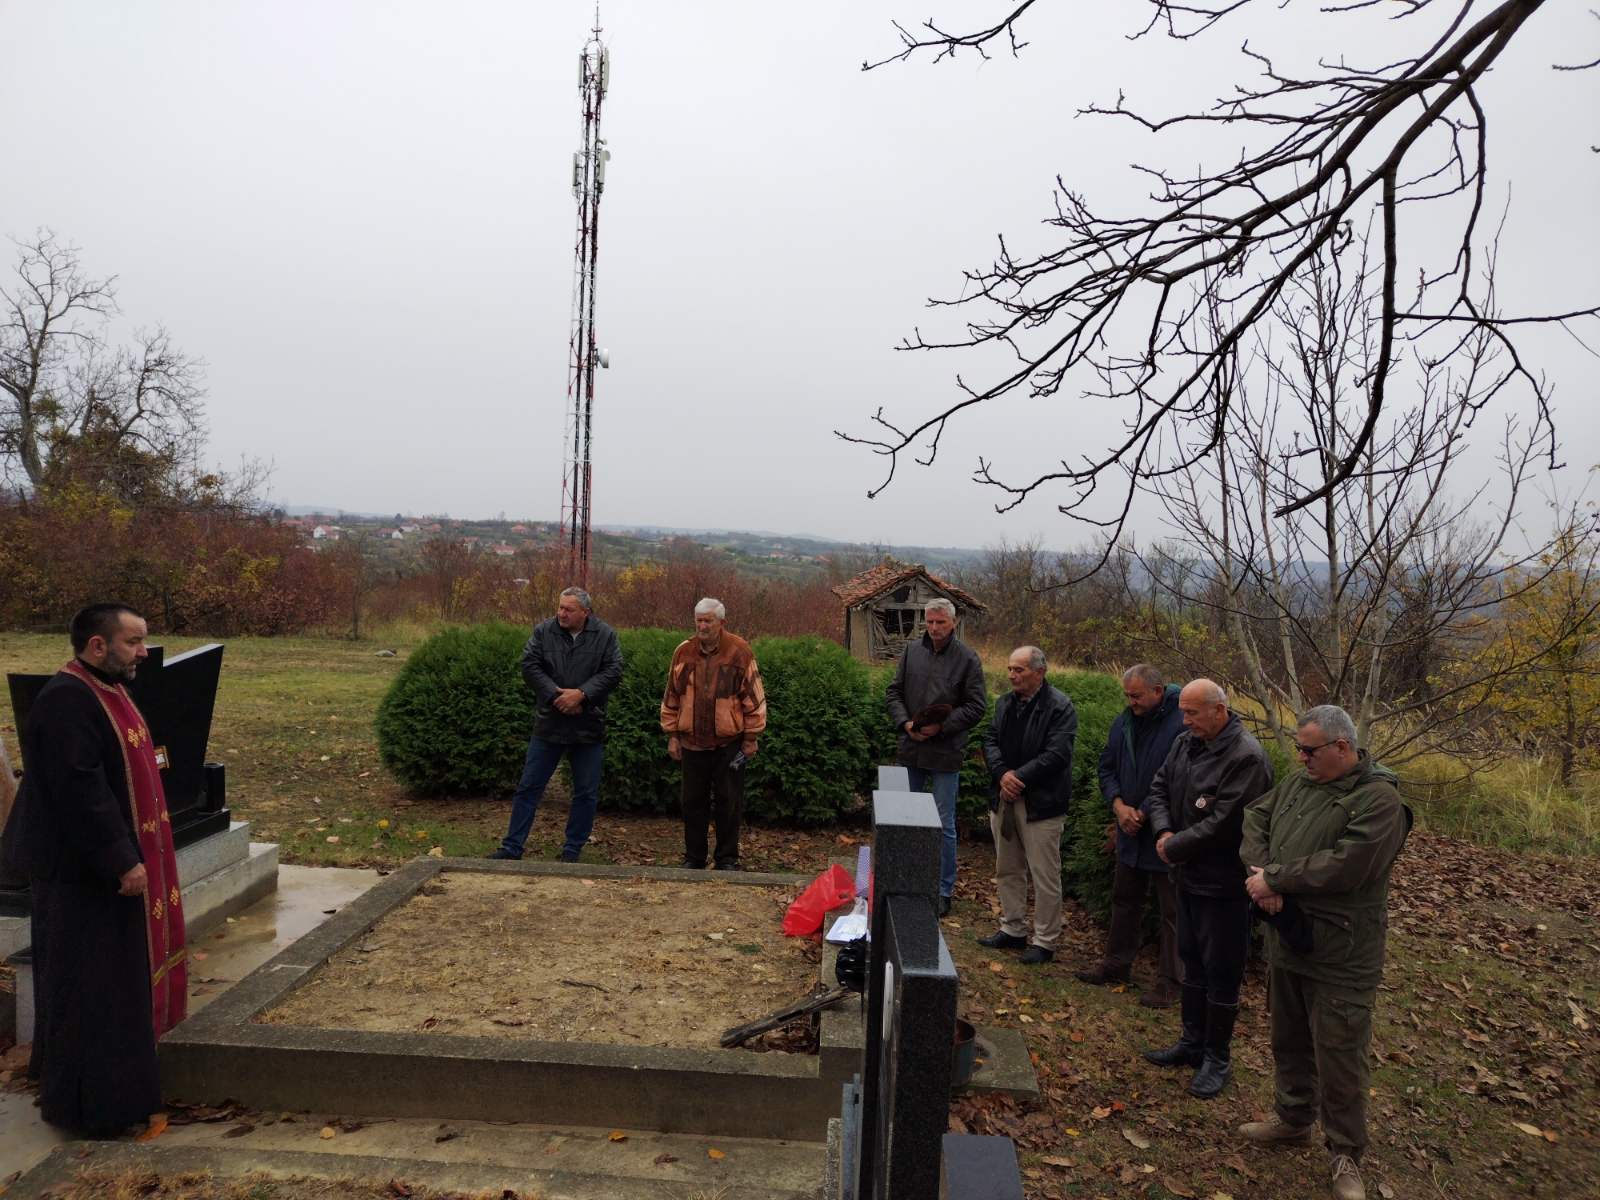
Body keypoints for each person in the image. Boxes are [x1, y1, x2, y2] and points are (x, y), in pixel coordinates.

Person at [7, 604, 185, 1134]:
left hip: (98, 869)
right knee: (91, 990)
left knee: (113, 986)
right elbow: (80, 791)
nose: (143, 652)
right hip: (81, 875)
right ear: (97, 645)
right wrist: (122, 859)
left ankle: (117, 1096)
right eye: (133, 642)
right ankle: (92, 1110)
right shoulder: (67, 700)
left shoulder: (106, 688)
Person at [1237, 706, 1411, 1200]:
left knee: (1340, 1055)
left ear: (1342, 747)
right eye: (1299, 748)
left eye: (1309, 749)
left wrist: (1276, 878)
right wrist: (1261, 876)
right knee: (1288, 1036)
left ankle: (1345, 1153)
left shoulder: (1379, 799)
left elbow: (1349, 864)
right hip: (1290, 936)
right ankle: (1293, 1119)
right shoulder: (1301, 782)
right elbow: (1255, 817)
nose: (1301, 757)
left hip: (1342, 951)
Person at [1141, 678, 1273, 1099]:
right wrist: (1164, 832)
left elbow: (1226, 824)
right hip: (1187, 876)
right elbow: (1159, 787)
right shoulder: (1186, 743)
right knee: (1192, 961)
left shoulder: (1246, 757)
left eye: (1193, 713)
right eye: (1183, 711)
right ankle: (1191, 1041)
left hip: (1224, 884)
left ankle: (1217, 1058)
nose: (1185, 720)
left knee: (1222, 971)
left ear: (1220, 710)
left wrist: (1174, 846)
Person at [1076, 664, 1186, 1006]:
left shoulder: (1181, 723)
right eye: (1127, 695)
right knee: (1124, 899)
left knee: (1172, 911)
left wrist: (1144, 812)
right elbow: (1106, 765)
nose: (1131, 702)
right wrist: (1119, 805)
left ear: (1158, 691)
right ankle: (1116, 964)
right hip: (1129, 829)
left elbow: (1177, 776)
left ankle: (1170, 981)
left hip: (1166, 831)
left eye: (1136, 696)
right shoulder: (1124, 721)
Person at [489, 587, 623, 863]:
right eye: (560, 607)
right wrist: (556, 696)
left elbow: (613, 671)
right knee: (529, 787)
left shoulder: (605, 635)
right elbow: (529, 665)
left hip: (588, 725)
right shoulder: (543, 631)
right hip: (549, 724)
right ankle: (512, 847)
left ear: (585, 612)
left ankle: (572, 850)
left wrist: (581, 695)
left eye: (568, 609)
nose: (561, 613)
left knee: (585, 793)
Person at [884, 598, 987, 916]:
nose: (934, 627)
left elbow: (976, 706)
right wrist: (906, 723)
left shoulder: (967, 658)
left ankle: (942, 890)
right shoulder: (912, 651)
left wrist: (942, 727)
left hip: (945, 751)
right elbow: (893, 692)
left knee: (943, 823)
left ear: (953, 622)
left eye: (940, 622)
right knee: (905, 819)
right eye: (929, 621)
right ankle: (904, 880)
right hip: (912, 747)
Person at [976, 646, 1076, 964]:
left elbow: (1057, 754)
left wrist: (1018, 778)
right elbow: (990, 740)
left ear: (1040, 672)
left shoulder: (1060, 706)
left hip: (1041, 805)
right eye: (1010, 669)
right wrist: (1002, 774)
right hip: (1005, 798)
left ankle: (1045, 940)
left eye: (1019, 670)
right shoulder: (1005, 703)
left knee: (1044, 874)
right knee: (1007, 867)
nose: (1011, 675)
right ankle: (1013, 928)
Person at [660, 598, 767, 870]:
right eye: (699, 620)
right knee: (691, 803)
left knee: (728, 803)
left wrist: (751, 737)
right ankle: (694, 858)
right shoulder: (683, 652)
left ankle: (727, 859)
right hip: (691, 743)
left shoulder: (739, 651)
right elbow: (672, 696)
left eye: (708, 621)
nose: (703, 626)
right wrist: (672, 734)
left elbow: (754, 697)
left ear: (722, 622)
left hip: (728, 744)